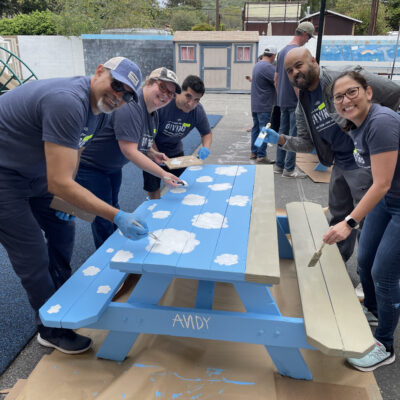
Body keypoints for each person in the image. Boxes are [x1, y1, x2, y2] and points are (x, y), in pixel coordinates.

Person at [0, 56, 153, 354]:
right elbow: (59, 183)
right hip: (4, 176)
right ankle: (51, 328)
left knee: (63, 230)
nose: (119, 96)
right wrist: (116, 214)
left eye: (127, 94)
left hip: (35, 172)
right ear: (99, 72)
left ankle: (58, 298)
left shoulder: (101, 111)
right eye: (117, 85)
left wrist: (67, 196)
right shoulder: (67, 101)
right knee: (32, 252)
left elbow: (76, 150)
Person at [261, 47, 400, 265]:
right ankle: (337, 264)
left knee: (367, 221)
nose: (295, 72)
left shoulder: (343, 79)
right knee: (338, 217)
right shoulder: (303, 105)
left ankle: (369, 275)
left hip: (362, 165)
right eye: (289, 70)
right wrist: (280, 140)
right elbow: (307, 144)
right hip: (340, 164)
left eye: (299, 65)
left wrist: (373, 128)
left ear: (313, 62)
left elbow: (393, 92)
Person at [323, 70, 400, 371]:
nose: (345, 100)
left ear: (368, 92)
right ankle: (375, 310)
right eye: (339, 97)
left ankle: (385, 345)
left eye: (351, 92)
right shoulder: (354, 124)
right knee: (365, 261)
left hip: (394, 199)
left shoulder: (380, 122)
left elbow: (379, 183)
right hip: (388, 199)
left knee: (384, 273)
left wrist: (349, 222)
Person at [76, 67, 183, 248]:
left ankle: (114, 245)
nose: (166, 95)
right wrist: (164, 174)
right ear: (148, 83)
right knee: (104, 214)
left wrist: (151, 152)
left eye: (171, 93)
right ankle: (107, 256)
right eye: (163, 88)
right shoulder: (132, 105)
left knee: (113, 208)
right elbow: (129, 150)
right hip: (91, 166)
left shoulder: (153, 112)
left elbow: (138, 140)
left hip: (112, 166)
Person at [142, 75, 212, 200]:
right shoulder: (162, 105)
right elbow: (146, 133)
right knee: (153, 189)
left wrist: (206, 147)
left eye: (196, 100)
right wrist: (155, 154)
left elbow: (206, 133)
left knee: (181, 186)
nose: (191, 103)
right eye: (188, 96)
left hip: (176, 152)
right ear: (179, 92)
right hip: (153, 149)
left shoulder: (197, 111)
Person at [273, 21, 315, 178]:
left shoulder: (283, 51)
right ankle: (289, 169)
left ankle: (279, 165)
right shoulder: (298, 52)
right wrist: (302, 102)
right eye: (309, 37)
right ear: (304, 34)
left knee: (281, 134)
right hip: (294, 102)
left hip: (282, 100)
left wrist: (280, 96)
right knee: (294, 136)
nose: (308, 40)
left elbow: (276, 79)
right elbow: (298, 80)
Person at [249, 46, 277, 164]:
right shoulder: (268, 67)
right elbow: (277, 82)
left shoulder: (257, 65)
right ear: (273, 56)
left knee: (256, 128)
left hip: (255, 103)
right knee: (264, 130)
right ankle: (261, 155)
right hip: (264, 104)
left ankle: (254, 152)